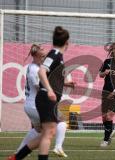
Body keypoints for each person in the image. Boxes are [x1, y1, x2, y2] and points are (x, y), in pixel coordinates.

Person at [7, 26, 72, 160]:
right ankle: (54, 149)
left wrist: (63, 84)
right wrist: (49, 90)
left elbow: (47, 75)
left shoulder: (57, 55)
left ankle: (17, 156)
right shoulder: (54, 54)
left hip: (45, 99)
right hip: (45, 99)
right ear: (67, 42)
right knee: (49, 133)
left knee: (46, 133)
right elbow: (41, 71)